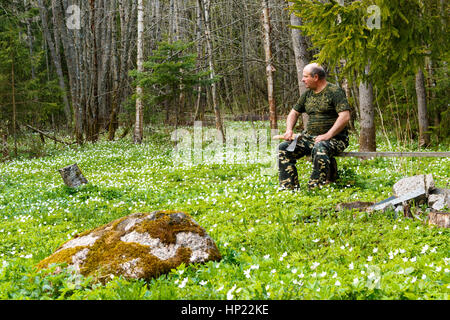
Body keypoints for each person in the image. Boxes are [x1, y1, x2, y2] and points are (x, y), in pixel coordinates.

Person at [278, 63, 351, 190]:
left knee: (320, 147)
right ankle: (289, 188)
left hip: (335, 139)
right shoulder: (307, 95)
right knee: (284, 148)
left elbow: (345, 116)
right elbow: (294, 113)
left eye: (305, 76)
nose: (302, 80)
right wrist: (289, 130)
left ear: (315, 77)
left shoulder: (334, 92)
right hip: (310, 138)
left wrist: (328, 135)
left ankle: (315, 187)